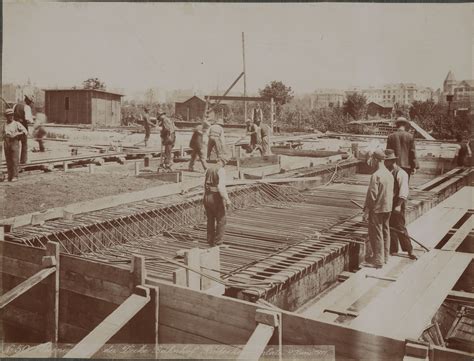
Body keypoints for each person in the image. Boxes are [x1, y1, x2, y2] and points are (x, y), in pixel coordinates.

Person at [363, 149, 394, 269]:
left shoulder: (376, 175)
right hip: (388, 208)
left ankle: (378, 260)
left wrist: (366, 211)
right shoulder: (389, 174)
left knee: (376, 233)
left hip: (377, 209)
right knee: (386, 231)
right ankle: (385, 257)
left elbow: (372, 195)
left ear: (376, 160)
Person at [384, 149, 417, 260]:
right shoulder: (387, 171)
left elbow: (404, 191)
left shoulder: (401, 173)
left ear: (392, 161)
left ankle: (409, 250)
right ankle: (393, 249)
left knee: (399, 226)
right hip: (388, 202)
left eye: (386, 161)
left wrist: (398, 205)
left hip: (398, 202)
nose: (384, 163)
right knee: (390, 226)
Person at [203, 156, 231, 246]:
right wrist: (227, 199)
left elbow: (204, 184)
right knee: (221, 219)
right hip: (216, 197)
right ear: (224, 162)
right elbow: (221, 187)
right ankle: (218, 242)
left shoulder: (208, 169)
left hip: (207, 196)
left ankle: (210, 240)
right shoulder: (221, 170)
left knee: (210, 219)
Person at [2, 109, 27, 182]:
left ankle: (15, 176)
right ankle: (10, 176)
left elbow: (25, 131)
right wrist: (4, 135)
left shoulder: (16, 124)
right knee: (8, 159)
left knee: (14, 159)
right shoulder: (4, 124)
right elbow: (2, 133)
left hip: (14, 142)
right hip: (6, 142)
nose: (11, 117)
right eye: (9, 116)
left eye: (12, 115)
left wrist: (16, 134)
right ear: (6, 116)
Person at [13, 95, 34, 164]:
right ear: (28, 101)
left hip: (14, 126)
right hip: (22, 127)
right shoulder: (27, 107)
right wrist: (32, 121)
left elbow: (12, 115)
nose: (31, 104)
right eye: (30, 102)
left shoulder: (15, 105)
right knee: (24, 143)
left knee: (15, 143)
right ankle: (23, 160)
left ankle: (14, 159)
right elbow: (28, 119)